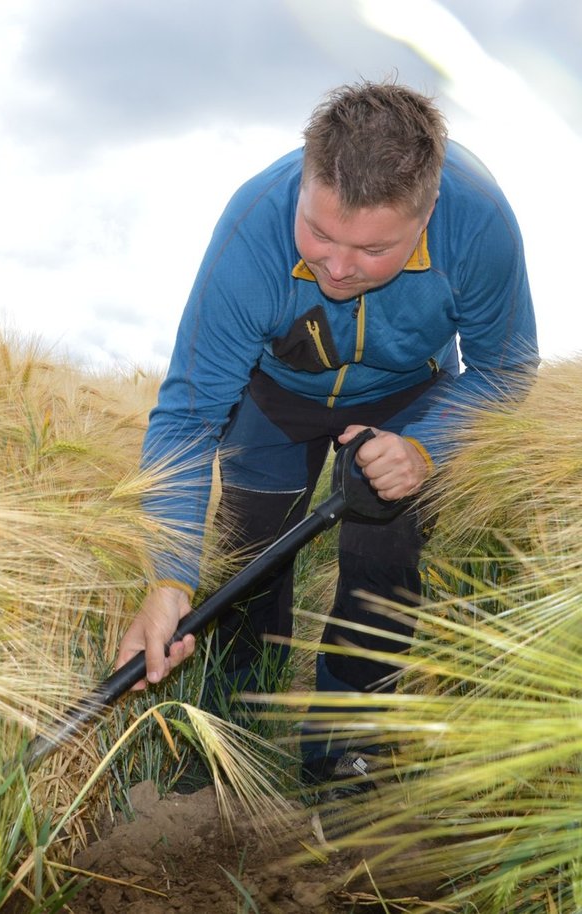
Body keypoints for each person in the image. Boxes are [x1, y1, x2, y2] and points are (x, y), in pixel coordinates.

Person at [114, 80, 538, 790]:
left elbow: (505, 367)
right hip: (277, 394)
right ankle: (229, 728)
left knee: (383, 555)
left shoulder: (478, 222)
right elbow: (188, 416)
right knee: (248, 553)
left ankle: (345, 749)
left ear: (427, 212)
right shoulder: (254, 224)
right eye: (318, 234)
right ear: (304, 184)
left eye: (371, 248)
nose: (336, 268)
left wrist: (425, 444)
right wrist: (168, 576)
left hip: (411, 396)